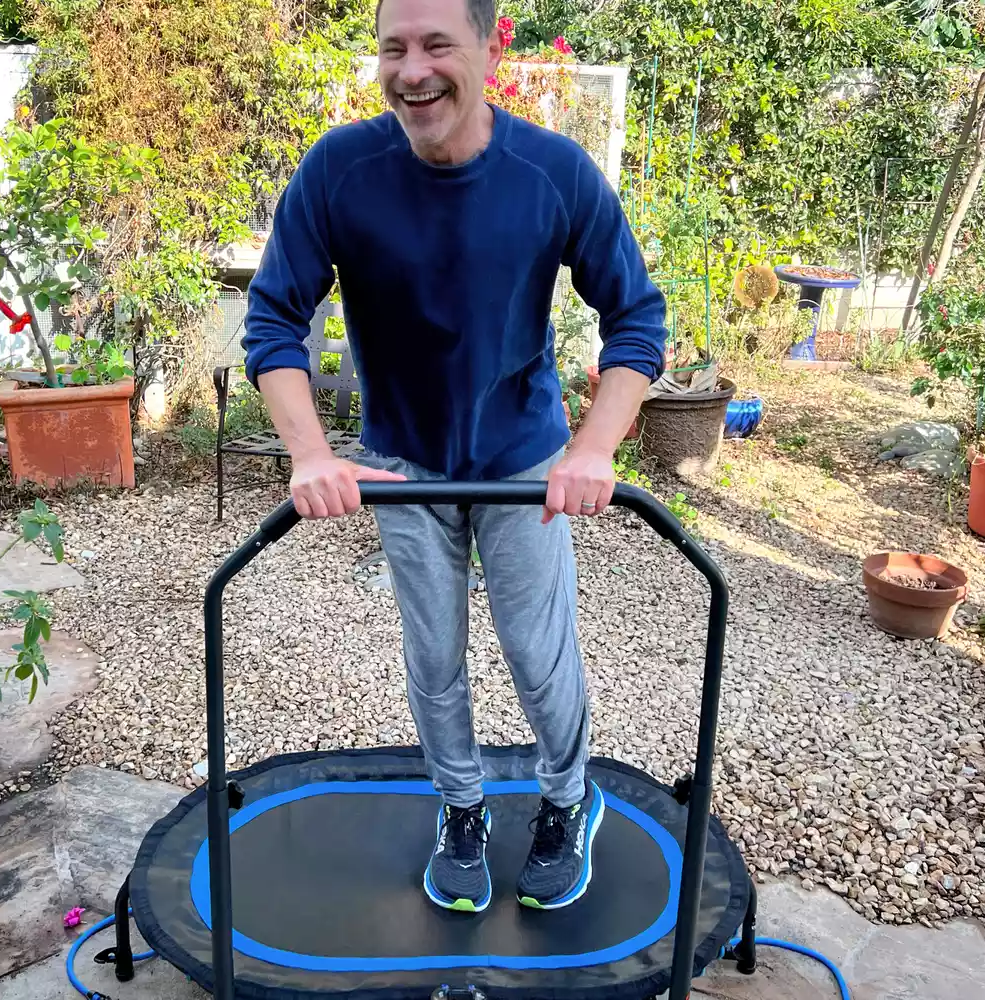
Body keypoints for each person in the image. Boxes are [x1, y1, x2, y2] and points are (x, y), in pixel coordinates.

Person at [241, 0, 667, 914]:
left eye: (437, 43)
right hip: (401, 463)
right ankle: (462, 809)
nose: (413, 69)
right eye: (394, 47)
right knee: (433, 657)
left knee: (536, 652)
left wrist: (595, 446)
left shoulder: (551, 174)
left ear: (486, 45)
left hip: (522, 461)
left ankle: (566, 800)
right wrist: (310, 452)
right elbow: (275, 317)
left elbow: (636, 319)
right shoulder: (340, 171)